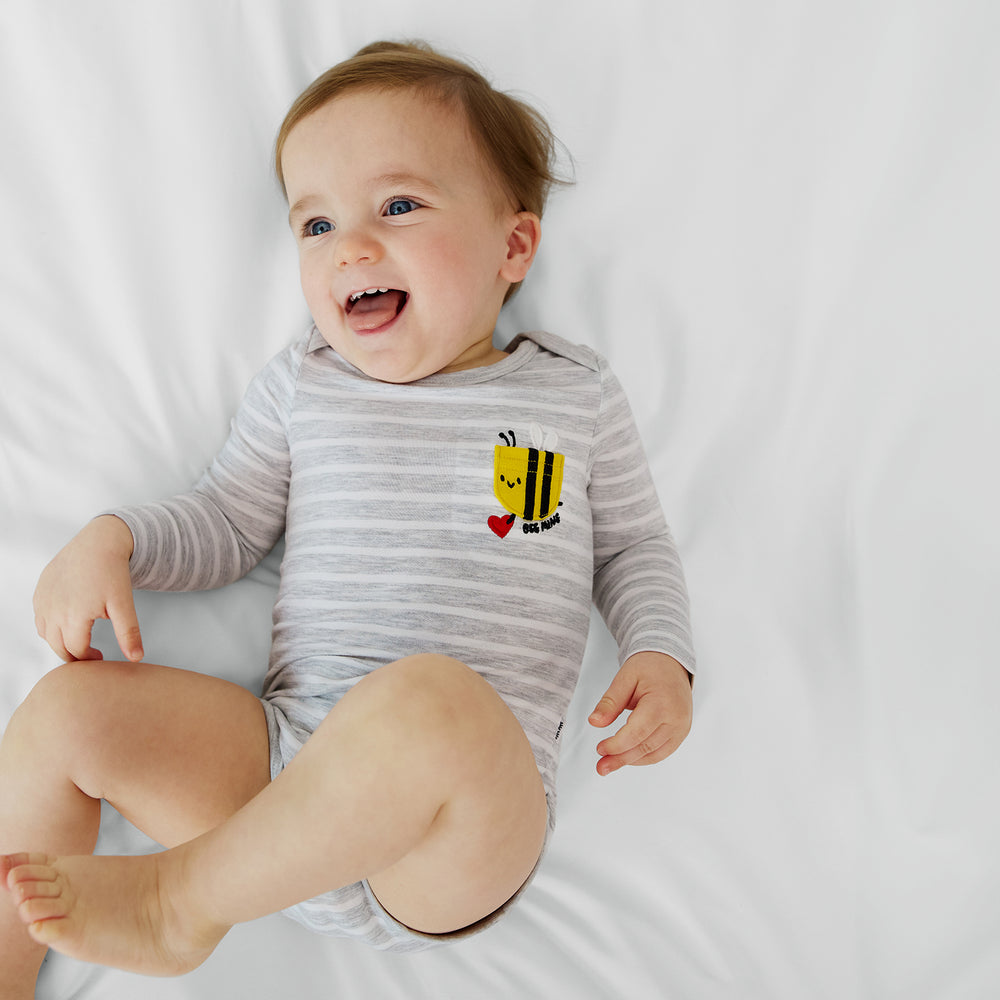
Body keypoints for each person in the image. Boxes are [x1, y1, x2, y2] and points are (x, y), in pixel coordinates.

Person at [0, 40, 695, 994]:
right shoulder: (307, 386)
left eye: (398, 206)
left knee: (432, 701)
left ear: (513, 246)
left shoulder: (568, 398)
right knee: (63, 715)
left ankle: (179, 903)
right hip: (280, 776)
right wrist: (116, 538)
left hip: (453, 835)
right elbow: (228, 524)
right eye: (316, 224)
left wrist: (661, 651)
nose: (351, 246)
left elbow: (631, 543)